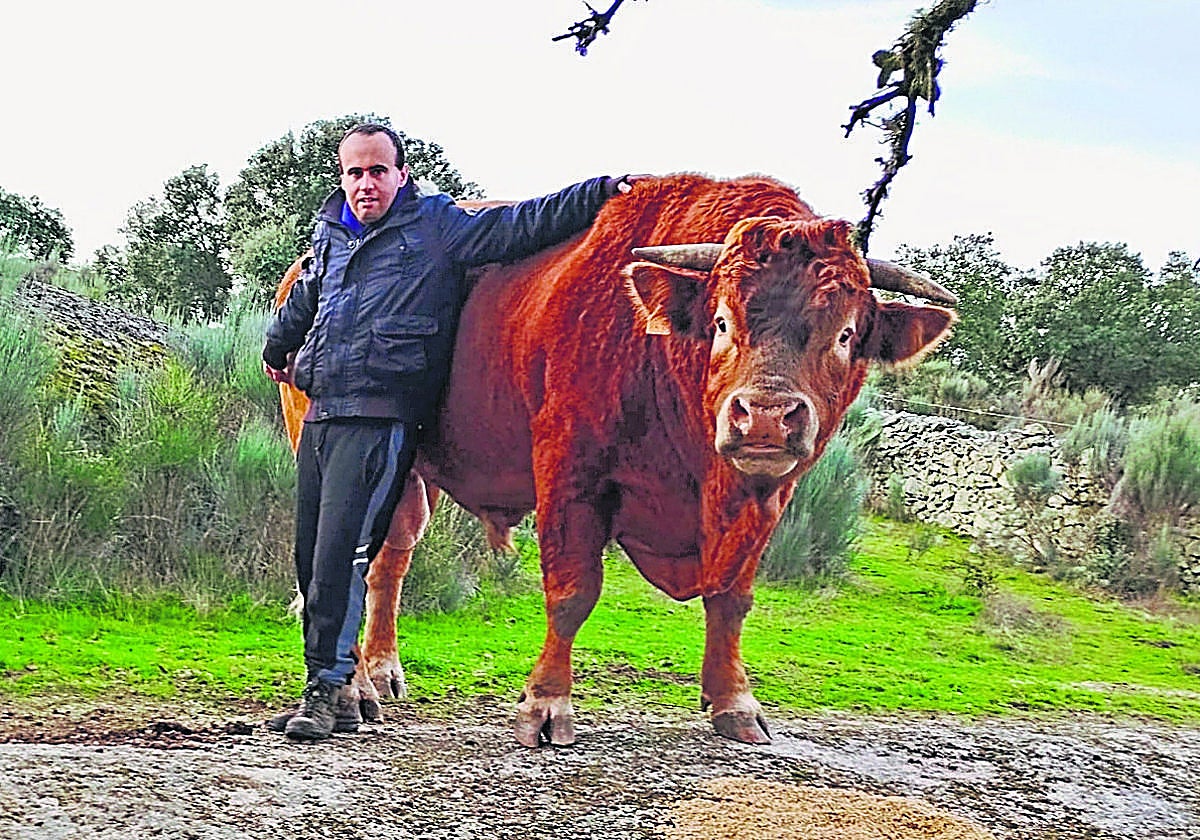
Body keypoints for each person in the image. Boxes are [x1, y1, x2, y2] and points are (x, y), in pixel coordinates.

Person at [262, 122, 633, 741]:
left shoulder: (436, 227)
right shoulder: (332, 234)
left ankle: (329, 690)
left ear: (400, 175)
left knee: (343, 553)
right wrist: (278, 348)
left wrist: (600, 190)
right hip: (325, 405)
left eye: (377, 171)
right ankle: (331, 687)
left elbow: (521, 225)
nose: (365, 184)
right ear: (342, 178)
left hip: (380, 410)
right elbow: (308, 298)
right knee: (312, 554)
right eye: (354, 173)